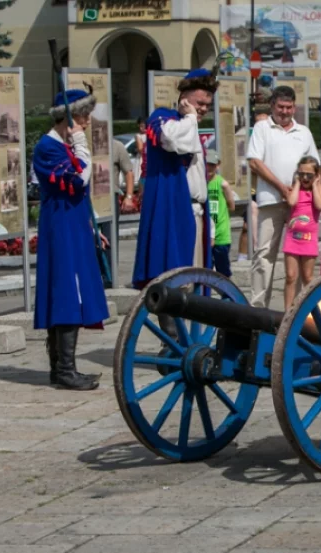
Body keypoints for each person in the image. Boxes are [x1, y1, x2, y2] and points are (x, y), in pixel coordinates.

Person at [132, 66, 217, 350]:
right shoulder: (163, 118)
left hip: (195, 211)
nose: (203, 109)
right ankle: (172, 341)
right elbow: (174, 142)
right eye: (199, 103)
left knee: (193, 279)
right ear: (184, 97)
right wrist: (190, 117)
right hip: (173, 211)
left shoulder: (188, 124)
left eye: (207, 105)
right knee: (174, 277)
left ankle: (187, 338)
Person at [31, 88, 110, 391]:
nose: (88, 122)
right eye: (83, 116)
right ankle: (64, 370)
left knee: (72, 291)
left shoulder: (61, 146)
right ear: (69, 118)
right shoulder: (48, 147)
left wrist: (91, 227)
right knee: (68, 293)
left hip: (73, 223)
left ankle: (62, 368)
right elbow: (79, 180)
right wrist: (81, 145)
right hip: (61, 225)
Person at [247, 85, 319, 307]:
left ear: (294, 108)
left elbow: (316, 166)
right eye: (281, 107)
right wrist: (281, 187)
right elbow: (254, 162)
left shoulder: (304, 132)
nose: (285, 112)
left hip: (301, 205)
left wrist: (317, 194)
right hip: (271, 199)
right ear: (272, 106)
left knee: (298, 260)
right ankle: (258, 307)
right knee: (264, 254)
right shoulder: (262, 128)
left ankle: (297, 308)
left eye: (289, 107)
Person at [283, 156, 321, 309]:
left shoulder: (319, 189)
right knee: (290, 276)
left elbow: (319, 204)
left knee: (307, 277)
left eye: (309, 175)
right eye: (302, 174)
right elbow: (292, 202)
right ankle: (288, 312)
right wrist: (296, 184)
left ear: (317, 175)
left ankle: (310, 309)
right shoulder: (295, 188)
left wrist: (315, 185)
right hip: (292, 238)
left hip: (309, 240)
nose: (305, 178)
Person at [238, 88, 272, 263]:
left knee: (265, 228)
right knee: (247, 227)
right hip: (251, 189)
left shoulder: (271, 134)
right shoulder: (250, 135)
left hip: (267, 189)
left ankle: (261, 258)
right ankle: (243, 258)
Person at [206, 150, 236, 278]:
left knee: (222, 270)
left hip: (221, 235)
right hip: (206, 234)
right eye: (206, 164)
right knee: (205, 269)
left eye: (212, 165)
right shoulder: (201, 183)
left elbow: (232, 205)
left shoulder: (222, 184)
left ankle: (227, 296)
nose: (209, 168)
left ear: (217, 165)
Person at [111, 138, 136, 214]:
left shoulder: (117, 146)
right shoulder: (85, 145)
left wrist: (129, 197)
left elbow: (129, 173)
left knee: (111, 226)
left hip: (111, 197)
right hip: (87, 198)